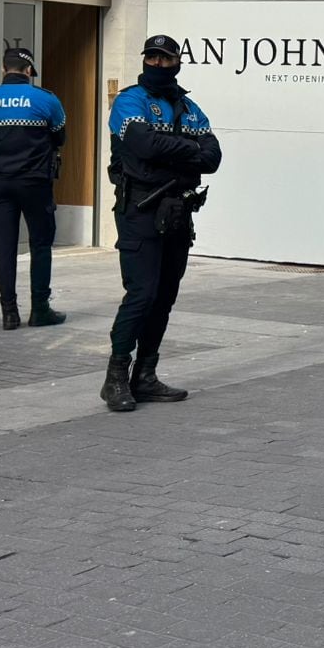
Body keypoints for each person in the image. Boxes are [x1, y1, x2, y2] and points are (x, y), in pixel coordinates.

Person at [102, 36, 221, 413]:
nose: (157, 63)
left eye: (164, 58)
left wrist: (174, 151)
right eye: (151, 57)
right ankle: (116, 378)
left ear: (177, 62)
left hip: (178, 212)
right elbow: (143, 146)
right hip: (140, 209)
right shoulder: (130, 100)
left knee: (165, 295)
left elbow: (213, 157)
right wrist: (188, 151)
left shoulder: (189, 107)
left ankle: (146, 376)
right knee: (142, 294)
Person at [0, 46, 67, 331]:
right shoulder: (45, 99)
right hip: (35, 182)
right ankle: (40, 309)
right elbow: (60, 136)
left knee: (4, 248)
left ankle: (9, 313)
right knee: (41, 244)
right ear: (29, 71)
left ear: (4, 69)